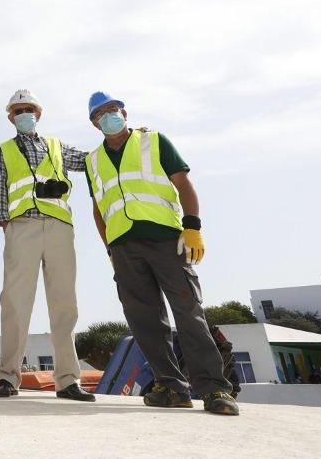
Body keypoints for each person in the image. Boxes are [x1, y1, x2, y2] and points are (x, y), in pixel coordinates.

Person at [85, 91, 239, 416]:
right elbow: (99, 209)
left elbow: (183, 183)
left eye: (113, 109)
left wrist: (192, 226)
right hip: (124, 247)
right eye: (101, 114)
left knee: (188, 313)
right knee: (144, 321)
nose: (108, 116)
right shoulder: (92, 161)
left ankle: (214, 389)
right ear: (94, 124)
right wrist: (110, 250)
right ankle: (170, 386)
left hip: (166, 240)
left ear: (124, 113)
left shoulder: (153, 141)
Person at [0, 89, 95, 402]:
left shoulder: (56, 146)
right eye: (18, 110)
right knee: (15, 303)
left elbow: (91, 161)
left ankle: (67, 381)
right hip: (22, 227)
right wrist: (6, 223)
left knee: (65, 305)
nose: (24, 114)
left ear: (38, 113)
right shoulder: (4, 150)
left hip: (60, 227)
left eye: (29, 109)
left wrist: (126, 141)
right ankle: (8, 377)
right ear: (11, 117)